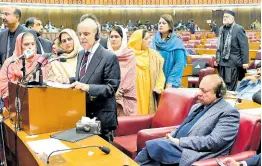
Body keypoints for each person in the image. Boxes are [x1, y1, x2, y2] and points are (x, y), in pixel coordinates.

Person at [135, 74, 240, 166]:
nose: (199, 93)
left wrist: (180, 142)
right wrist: (172, 136)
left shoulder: (229, 113)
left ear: (219, 93)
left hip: (197, 152)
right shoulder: (197, 107)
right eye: (199, 89)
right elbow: (184, 127)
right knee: (152, 153)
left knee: (155, 145)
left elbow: (214, 142)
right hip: (179, 146)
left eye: (204, 91)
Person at [69, 18, 120, 143]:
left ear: (97, 35)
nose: (82, 37)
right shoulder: (81, 54)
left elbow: (111, 88)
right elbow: (83, 77)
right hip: (84, 115)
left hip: (101, 118)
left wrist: (88, 88)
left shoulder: (109, 56)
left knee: (102, 158)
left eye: (86, 34)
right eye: (79, 34)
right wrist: (69, 81)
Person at [0, 32, 48, 99]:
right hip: (16, 100)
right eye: (26, 44)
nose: (30, 47)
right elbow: (3, 85)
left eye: (33, 44)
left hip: (39, 98)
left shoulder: (41, 60)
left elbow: (49, 81)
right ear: (19, 45)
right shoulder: (10, 62)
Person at [128, 29, 165, 115]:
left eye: (150, 38)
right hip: (133, 94)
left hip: (149, 92)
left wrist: (159, 87)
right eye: (146, 38)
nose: (149, 40)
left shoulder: (154, 55)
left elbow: (160, 74)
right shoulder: (128, 55)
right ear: (138, 41)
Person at [215, 10, 249, 91]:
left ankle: (230, 102)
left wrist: (245, 62)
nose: (225, 18)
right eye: (224, 17)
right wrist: (217, 58)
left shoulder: (238, 29)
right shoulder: (221, 29)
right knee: (221, 85)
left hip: (233, 63)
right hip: (222, 63)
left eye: (227, 17)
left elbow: (244, 46)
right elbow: (219, 46)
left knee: (230, 86)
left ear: (233, 18)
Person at [150, 14, 187, 88]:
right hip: (154, 79)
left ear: (170, 26)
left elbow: (179, 64)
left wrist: (170, 81)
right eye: (159, 23)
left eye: (164, 23)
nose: (160, 25)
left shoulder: (176, 42)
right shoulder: (153, 40)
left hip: (169, 80)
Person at [107, 26, 137, 116]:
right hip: (108, 94)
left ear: (122, 38)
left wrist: (119, 91)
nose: (113, 39)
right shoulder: (105, 55)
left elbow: (130, 76)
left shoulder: (129, 55)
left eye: (116, 37)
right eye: (111, 37)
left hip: (125, 95)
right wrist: (112, 90)